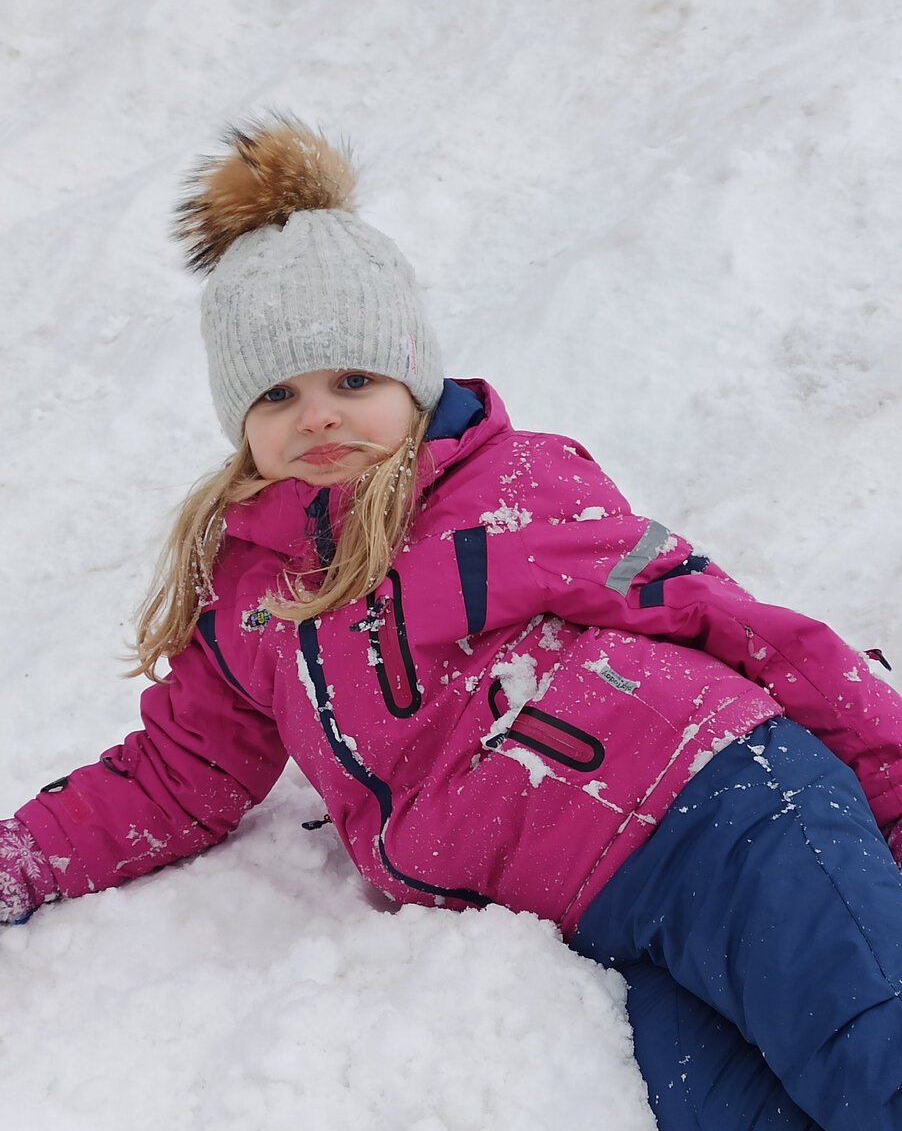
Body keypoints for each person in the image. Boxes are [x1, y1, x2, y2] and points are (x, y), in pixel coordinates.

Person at [2, 115, 902, 1131]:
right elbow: (178, 774)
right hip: (589, 923)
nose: (320, 417)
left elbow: (728, 624)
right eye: (278, 394)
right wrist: (20, 859)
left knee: (874, 1068)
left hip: (728, 813)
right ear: (239, 425)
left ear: (411, 381)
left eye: (353, 380)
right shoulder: (251, 601)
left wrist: (891, 785)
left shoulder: (509, 488)